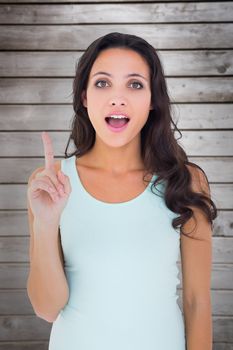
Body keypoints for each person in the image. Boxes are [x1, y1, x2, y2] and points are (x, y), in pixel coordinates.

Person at [26, 32, 217, 350]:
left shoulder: (186, 182)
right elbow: (46, 309)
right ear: (84, 96)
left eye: (135, 84)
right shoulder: (51, 183)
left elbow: (198, 302)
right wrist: (45, 224)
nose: (118, 98)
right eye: (102, 83)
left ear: (153, 100)